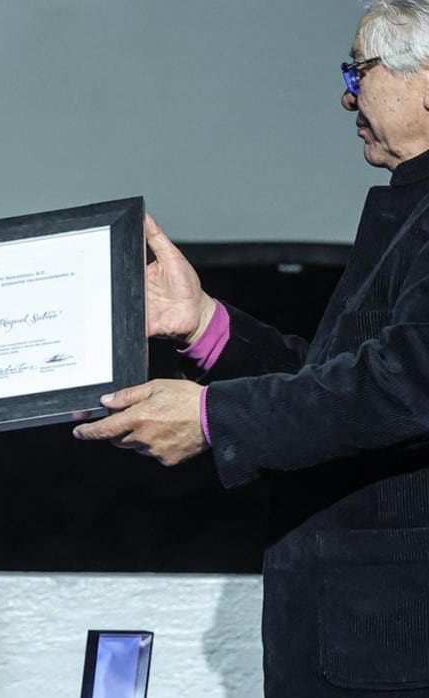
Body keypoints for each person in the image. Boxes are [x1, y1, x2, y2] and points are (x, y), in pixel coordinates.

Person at [74, 0, 429, 694]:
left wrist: (213, 417)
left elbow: (405, 385)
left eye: (357, 70)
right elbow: (335, 382)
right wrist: (203, 325)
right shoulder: (408, 205)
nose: (344, 93)